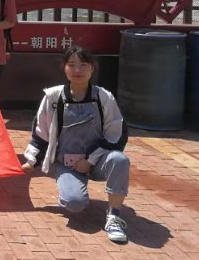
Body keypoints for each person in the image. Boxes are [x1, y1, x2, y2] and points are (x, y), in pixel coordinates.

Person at [21, 45, 131, 244]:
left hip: (98, 160)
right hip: (66, 163)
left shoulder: (104, 97)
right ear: (64, 68)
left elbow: (116, 135)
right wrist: (31, 161)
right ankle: (71, 190)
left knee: (120, 160)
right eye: (71, 65)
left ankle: (114, 216)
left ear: (92, 68)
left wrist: (90, 161)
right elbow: (41, 132)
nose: (77, 70)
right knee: (74, 203)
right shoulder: (53, 97)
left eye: (83, 65)